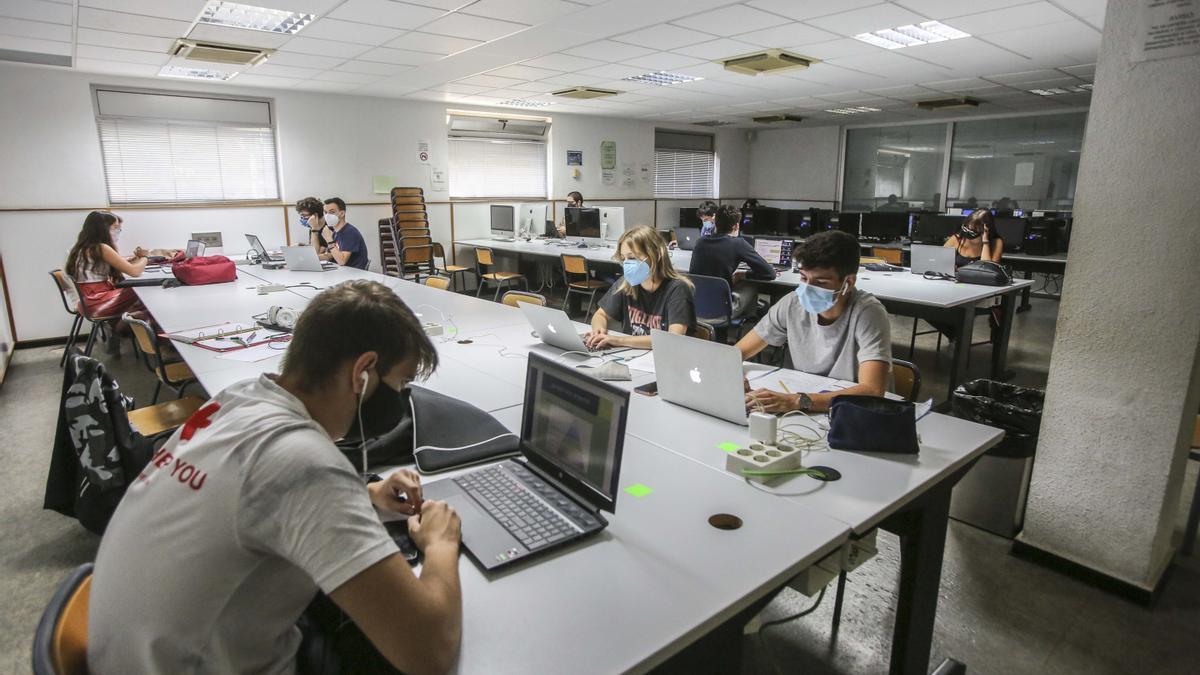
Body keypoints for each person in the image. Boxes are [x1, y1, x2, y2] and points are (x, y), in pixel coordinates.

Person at [87, 280, 462, 674]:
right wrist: (440, 544)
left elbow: (247, 493)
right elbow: (429, 653)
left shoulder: (238, 399)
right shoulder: (304, 464)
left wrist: (364, 493)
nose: (401, 397)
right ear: (363, 372)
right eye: (401, 383)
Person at [736, 230, 891, 413]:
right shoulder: (792, 303)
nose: (808, 288)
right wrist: (734, 373)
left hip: (850, 412)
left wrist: (798, 402)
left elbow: (872, 391)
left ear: (848, 283)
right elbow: (737, 352)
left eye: (821, 282)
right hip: (809, 402)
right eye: (803, 278)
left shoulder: (868, 313)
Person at [585, 225, 696, 350]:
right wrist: (599, 331)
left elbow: (672, 339)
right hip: (631, 355)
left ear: (656, 254)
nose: (627, 263)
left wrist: (619, 340)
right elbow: (600, 315)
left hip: (663, 359)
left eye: (632, 258)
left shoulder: (677, 289)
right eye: (623, 258)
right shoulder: (626, 284)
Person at [64, 210, 151, 331]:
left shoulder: (81, 247)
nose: (118, 231)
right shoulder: (101, 247)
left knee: (138, 296)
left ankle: (119, 329)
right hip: (96, 302)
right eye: (115, 227)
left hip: (87, 301)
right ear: (103, 228)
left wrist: (125, 261)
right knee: (142, 290)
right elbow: (134, 272)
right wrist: (145, 257)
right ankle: (119, 329)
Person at [688, 204, 775, 319]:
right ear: (736, 226)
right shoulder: (738, 243)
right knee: (751, 286)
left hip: (696, 306)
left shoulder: (700, 242)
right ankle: (750, 320)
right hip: (722, 310)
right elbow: (770, 273)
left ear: (715, 223)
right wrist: (743, 274)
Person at [322, 197, 370, 270]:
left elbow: (342, 261)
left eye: (332, 212)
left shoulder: (349, 232)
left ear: (342, 213)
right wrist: (311, 258)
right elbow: (330, 255)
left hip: (354, 275)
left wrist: (329, 240)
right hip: (341, 272)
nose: (327, 216)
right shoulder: (335, 232)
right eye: (325, 212)